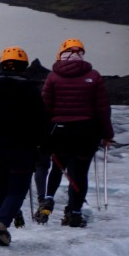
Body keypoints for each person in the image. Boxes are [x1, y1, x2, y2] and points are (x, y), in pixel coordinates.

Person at [0, 46, 50, 245]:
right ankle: (1, 223)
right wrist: (42, 145)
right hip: (23, 149)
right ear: (24, 67)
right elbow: (41, 122)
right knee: (17, 189)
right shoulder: (30, 91)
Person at [41, 38, 114, 226]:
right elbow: (102, 109)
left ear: (61, 54)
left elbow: (45, 108)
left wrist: (42, 133)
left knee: (57, 167)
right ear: (81, 55)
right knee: (80, 173)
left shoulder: (53, 77)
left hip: (59, 132)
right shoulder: (94, 76)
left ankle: (48, 198)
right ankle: (74, 212)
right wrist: (107, 134)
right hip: (86, 132)